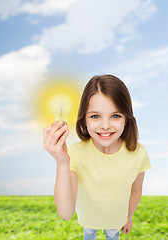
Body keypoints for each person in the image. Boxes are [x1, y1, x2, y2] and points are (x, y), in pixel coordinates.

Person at [43, 74, 151, 240]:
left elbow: (136, 190)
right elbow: (65, 213)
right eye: (95, 116)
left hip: (116, 221)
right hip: (88, 220)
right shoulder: (74, 154)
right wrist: (62, 162)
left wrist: (129, 217)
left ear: (126, 119)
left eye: (115, 115)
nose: (105, 125)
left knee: (113, 234)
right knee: (89, 234)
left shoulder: (139, 153)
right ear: (84, 119)